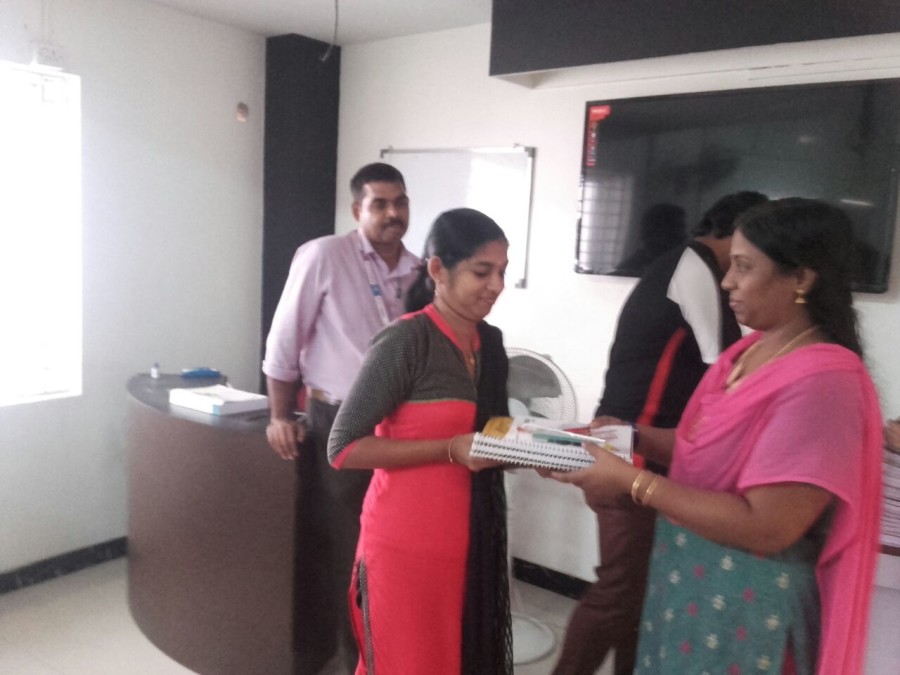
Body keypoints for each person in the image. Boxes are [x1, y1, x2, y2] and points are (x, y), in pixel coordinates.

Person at [551, 198, 883, 675]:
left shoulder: (824, 382)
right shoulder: (747, 352)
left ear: (801, 278)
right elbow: (698, 445)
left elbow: (768, 525)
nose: (727, 281)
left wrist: (630, 481)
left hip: (750, 607)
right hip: (688, 580)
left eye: (744, 267)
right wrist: (632, 437)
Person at [553, 191, 768, 675]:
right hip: (629, 456)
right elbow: (724, 370)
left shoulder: (688, 266)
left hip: (641, 451)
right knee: (618, 593)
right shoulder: (692, 269)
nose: (736, 278)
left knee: (643, 596)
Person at [327, 208, 513, 675]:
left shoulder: (490, 346)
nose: (496, 286)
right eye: (482, 272)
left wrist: (546, 450)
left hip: (471, 539)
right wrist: (448, 449)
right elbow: (343, 447)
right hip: (405, 545)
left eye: (502, 271)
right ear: (437, 270)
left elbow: (491, 437)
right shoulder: (406, 341)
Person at [262, 162, 421, 674]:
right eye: (380, 204)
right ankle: (354, 658)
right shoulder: (324, 256)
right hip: (340, 419)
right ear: (357, 210)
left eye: (400, 202)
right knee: (349, 547)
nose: (393, 213)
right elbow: (284, 342)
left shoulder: (421, 270)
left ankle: (386, 653)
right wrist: (279, 415)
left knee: (392, 544)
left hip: (403, 426)